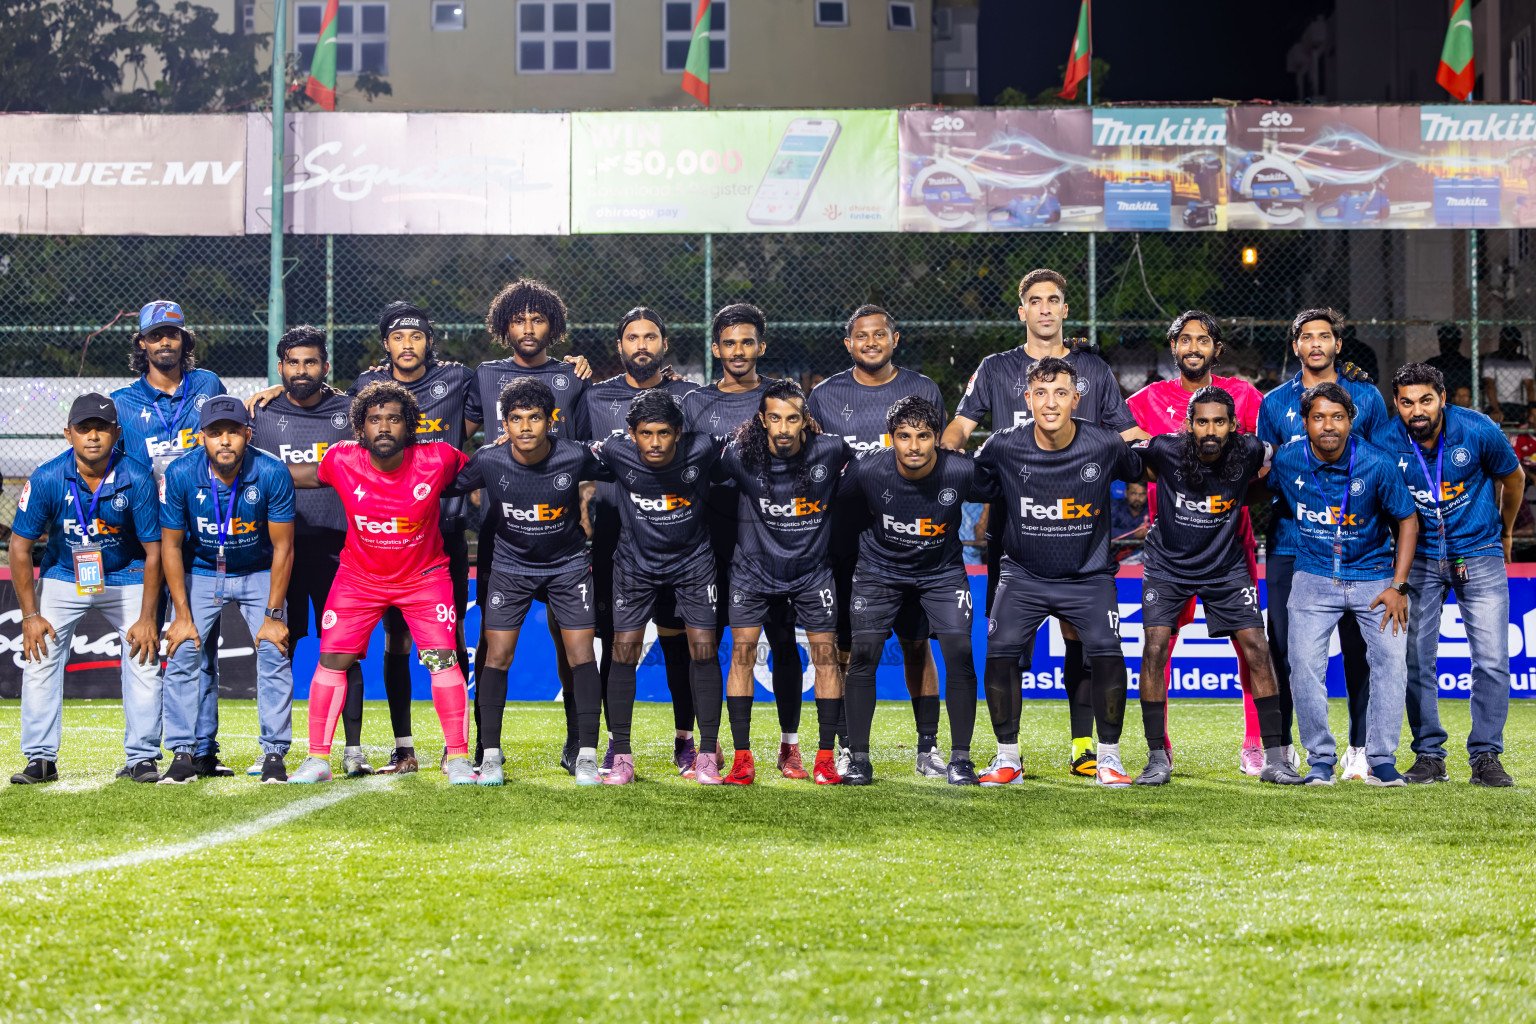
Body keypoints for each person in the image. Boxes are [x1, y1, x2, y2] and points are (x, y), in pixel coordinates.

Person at [941, 268, 1145, 780]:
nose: (1046, 308)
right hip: (1015, 530)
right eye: (1036, 300)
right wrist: (939, 466)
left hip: (1080, 530)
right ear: (1023, 311)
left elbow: (1131, 437)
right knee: (1008, 648)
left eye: (1054, 299)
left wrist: (1156, 456)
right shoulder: (995, 369)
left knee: (1085, 641)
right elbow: (958, 432)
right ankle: (1008, 752)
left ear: (1065, 309)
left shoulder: (1092, 370)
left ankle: (1086, 747)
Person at [281, 381, 476, 785]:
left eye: (393, 419)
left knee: (443, 659)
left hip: (424, 578)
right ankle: (318, 759)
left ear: (410, 425)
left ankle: (457, 758)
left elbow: (485, 469)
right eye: (374, 419)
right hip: (359, 578)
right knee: (332, 660)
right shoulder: (341, 459)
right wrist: (241, 463)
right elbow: (300, 474)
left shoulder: (438, 457)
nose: (384, 427)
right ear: (360, 427)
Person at [971, 357, 1142, 788]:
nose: (1051, 402)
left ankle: (1108, 758)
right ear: (1027, 399)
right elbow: (963, 477)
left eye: (1061, 393)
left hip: (1088, 577)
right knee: (1000, 651)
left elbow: (1151, 464)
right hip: (1022, 576)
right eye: (1041, 393)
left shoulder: (1104, 444)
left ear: (1076, 400)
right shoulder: (1001, 445)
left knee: (1107, 652)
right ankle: (1007, 758)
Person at [1132, 386, 1302, 785]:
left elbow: (1283, 457)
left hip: (1225, 567)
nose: (1210, 430)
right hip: (1167, 566)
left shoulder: (1251, 450)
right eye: (1202, 422)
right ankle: (1157, 758)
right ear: (1189, 424)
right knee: (1155, 647)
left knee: (1257, 647)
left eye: (1220, 422)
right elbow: (1119, 458)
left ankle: (1275, 759)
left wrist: (1249, 493)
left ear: (1233, 425)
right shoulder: (1164, 448)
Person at [806, 304, 947, 777]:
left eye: (879, 334)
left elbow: (936, 459)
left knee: (916, 644)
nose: (871, 342)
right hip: (845, 539)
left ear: (894, 339)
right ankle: (848, 746)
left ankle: (927, 748)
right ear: (849, 344)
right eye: (861, 336)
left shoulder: (923, 389)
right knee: (848, 649)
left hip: (910, 541)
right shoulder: (825, 395)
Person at [1126, 311, 1267, 772]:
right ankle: (1160, 749)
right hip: (1171, 544)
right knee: (1158, 646)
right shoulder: (1146, 399)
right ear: (1173, 347)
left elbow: (1265, 457)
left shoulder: (1244, 395)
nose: (1193, 347)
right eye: (1184, 339)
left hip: (1231, 541)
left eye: (1203, 340)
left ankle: (1255, 743)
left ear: (1216, 349)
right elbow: (1128, 447)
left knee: (1250, 645)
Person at [1256, 307, 1391, 783]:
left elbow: (1382, 465)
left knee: (1359, 648)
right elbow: (1266, 473)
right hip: (1291, 543)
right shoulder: (1274, 402)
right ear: (1295, 346)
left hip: (1359, 545)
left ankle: (1359, 749)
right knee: (1285, 649)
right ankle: (1284, 749)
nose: (1316, 344)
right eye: (1307, 337)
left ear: (1338, 344)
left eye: (1324, 336)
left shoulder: (1367, 397)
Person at [450, 378, 606, 786]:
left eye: (534, 418)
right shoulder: (489, 459)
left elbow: (626, 464)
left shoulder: (574, 454)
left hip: (568, 566)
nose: (524, 427)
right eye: (515, 418)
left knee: (580, 655)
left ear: (550, 420)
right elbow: (443, 483)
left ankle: (587, 755)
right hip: (511, 567)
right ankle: (490, 755)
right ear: (504, 423)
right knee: (497, 655)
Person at [680, 304, 809, 779]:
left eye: (747, 342)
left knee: (782, 641)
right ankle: (712, 747)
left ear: (761, 347)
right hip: (707, 540)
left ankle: (789, 746)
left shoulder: (781, 398)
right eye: (729, 343)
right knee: (706, 645)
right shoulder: (694, 402)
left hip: (771, 539)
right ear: (716, 349)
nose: (738, 351)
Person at [1267, 383, 1417, 787]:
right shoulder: (1287, 460)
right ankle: (1320, 760)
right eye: (1318, 417)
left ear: (1351, 420)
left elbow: (1407, 519)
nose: (1328, 425)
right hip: (1313, 577)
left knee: (1391, 663)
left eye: (1337, 417)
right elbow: (1261, 493)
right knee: (1302, 667)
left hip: (1374, 578)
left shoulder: (1377, 462)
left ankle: (1381, 760)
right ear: (1304, 422)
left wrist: (1399, 586)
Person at [469, 279, 593, 770]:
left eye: (537, 319)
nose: (527, 328)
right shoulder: (485, 375)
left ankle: (577, 743)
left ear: (553, 326)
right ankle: (485, 745)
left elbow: (589, 450)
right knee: (491, 643)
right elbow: (454, 431)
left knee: (570, 640)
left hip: (562, 536)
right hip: (504, 536)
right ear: (504, 326)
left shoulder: (572, 377)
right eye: (518, 320)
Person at [8, 395, 162, 784]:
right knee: (39, 655)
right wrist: (30, 616)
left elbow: (155, 551)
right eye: (83, 428)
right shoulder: (46, 477)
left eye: (102, 428)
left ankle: (142, 757)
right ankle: (40, 758)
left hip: (126, 573)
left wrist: (148, 617)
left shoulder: (138, 476)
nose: (93, 436)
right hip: (64, 574)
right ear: (68, 434)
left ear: (117, 433)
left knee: (143, 659)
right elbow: (19, 548)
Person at [1387, 363, 1522, 786]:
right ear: (1396, 404)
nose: (1417, 410)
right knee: (1414, 659)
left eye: (1426, 400)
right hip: (1420, 558)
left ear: (1442, 398)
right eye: (1407, 402)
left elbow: (1514, 479)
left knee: (1492, 659)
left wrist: (1506, 532)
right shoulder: (1387, 440)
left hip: (1477, 551)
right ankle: (1429, 755)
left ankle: (1486, 755)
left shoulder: (1478, 430)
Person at [577, 308, 700, 775]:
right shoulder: (596, 396)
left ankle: (685, 740)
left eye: (650, 336)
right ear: (620, 346)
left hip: (677, 536)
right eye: (633, 337)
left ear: (664, 344)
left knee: (678, 643)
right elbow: (571, 454)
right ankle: (617, 745)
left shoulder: (689, 396)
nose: (642, 345)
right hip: (615, 536)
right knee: (616, 643)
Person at [111, 300, 231, 777]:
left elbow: (233, 431)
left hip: (199, 541)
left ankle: (202, 750)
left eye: (173, 333)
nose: (165, 341)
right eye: (156, 334)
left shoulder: (208, 385)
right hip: (144, 544)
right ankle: (141, 755)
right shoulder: (122, 401)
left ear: (185, 340)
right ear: (141, 342)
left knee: (199, 648)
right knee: (142, 648)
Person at [839, 396, 985, 787]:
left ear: (937, 437)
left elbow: (1008, 492)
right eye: (904, 436)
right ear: (891, 438)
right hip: (879, 572)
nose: (914, 445)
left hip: (941, 573)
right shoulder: (868, 469)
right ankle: (859, 759)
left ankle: (959, 760)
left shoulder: (961, 470)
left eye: (923, 436)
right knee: (863, 655)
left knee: (959, 653)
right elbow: (833, 506)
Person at [718, 379, 854, 786]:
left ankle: (825, 758)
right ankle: (742, 759)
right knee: (742, 655)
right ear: (762, 420)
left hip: (812, 573)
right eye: (774, 418)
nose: (782, 428)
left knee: (826, 658)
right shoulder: (739, 455)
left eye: (792, 418)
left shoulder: (831, 450)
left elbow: (869, 472)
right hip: (753, 572)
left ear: (805, 420)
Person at [589, 390, 727, 785]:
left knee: (703, 650)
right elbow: (565, 451)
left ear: (678, 433)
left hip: (693, 564)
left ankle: (707, 754)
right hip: (635, 565)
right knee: (623, 652)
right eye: (646, 433)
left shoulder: (703, 447)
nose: (655, 443)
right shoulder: (615, 450)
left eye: (664, 433)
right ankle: (621, 755)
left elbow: (751, 446)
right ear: (632, 433)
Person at [158, 396, 296, 785]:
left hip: (258, 570)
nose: (224, 440)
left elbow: (284, 547)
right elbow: (170, 546)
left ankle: (273, 753)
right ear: (201, 437)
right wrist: (181, 616)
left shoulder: (271, 471)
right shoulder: (180, 473)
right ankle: (186, 753)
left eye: (233, 432)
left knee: (273, 650)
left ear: (247, 435)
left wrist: (273, 617)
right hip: (202, 570)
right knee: (185, 650)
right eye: (215, 433)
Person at [249, 325, 368, 777]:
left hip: (340, 550)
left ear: (326, 367)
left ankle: (353, 750)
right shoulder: (258, 414)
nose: (302, 371)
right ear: (280, 367)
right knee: (279, 647)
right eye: (293, 363)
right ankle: (274, 749)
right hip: (278, 552)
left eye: (311, 362)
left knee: (344, 651)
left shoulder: (350, 412)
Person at [1481, 326, 1534, 423]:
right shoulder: (1491, 359)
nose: (1507, 344)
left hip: (1516, 404)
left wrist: (1531, 408)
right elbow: (1489, 385)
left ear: (1517, 343)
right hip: (1495, 403)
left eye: (1511, 342)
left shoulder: (1523, 361)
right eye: (1504, 341)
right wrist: (1496, 409)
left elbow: (1529, 386)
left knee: (1530, 416)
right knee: (1492, 417)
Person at [1427, 323, 1473, 396]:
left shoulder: (1467, 365)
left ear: (1458, 343)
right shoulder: (1431, 364)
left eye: (1451, 342)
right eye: (1443, 342)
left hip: (1459, 402)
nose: (1447, 345)